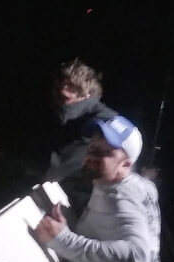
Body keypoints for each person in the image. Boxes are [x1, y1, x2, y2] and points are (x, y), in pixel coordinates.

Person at [35, 115, 161, 262]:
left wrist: (62, 239)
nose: (92, 156)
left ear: (126, 163)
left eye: (106, 152)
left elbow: (138, 258)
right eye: (93, 147)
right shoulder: (133, 184)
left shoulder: (123, 196)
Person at [44, 58, 118, 215]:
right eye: (61, 84)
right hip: (50, 193)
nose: (63, 90)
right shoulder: (56, 116)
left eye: (72, 86)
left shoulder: (103, 119)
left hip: (80, 207)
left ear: (88, 93)